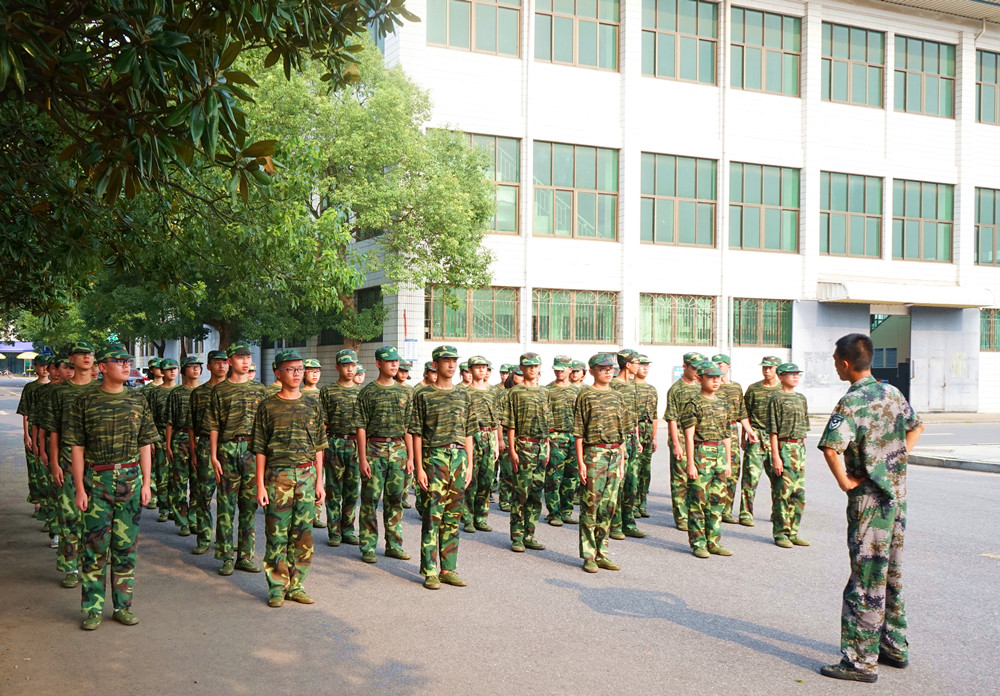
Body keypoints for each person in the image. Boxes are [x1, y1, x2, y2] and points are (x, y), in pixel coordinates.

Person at [818, 334, 923, 683]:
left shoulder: (851, 401)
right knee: (889, 573)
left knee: (865, 579)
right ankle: (894, 646)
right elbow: (917, 426)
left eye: (836, 361)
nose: (836, 367)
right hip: (896, 499)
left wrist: (845, 482)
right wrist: (893, 460)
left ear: (846, 363)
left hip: (869, 502)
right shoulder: (892, 393)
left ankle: (861, 662)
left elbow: (831, 448)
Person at [66, 344, 157, 630]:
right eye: (119, 361)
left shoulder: (138, 400)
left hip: (130, 479)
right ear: (103, 367)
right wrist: (79, 488)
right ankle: (92, 609)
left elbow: (145, 444)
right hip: (97, 480)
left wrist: (146, 482)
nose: (126, 365)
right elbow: (77, 447)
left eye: (128, 360)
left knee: (126, 546)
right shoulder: (85, 401)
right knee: (94, 547)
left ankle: (122, 606)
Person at [253, 349, 327, 608]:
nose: (297, 374)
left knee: (303, 534)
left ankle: (296, 585)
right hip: (278, 476)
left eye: (300, 369)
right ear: (278, 372)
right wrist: (260, 485)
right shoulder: (268, 406)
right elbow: (260, 448)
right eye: (291, 369)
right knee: (276, 534)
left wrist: (319, 482)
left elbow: (319, 446)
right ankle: (277, 587)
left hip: (307, 475)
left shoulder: (312, 405)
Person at [408, 345, 474, 590]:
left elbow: (469, 433)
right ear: (435, 364)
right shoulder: (424, 395)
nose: (451, 365)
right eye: (446, 360)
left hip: (458, 458)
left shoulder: (464, 395)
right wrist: (419, 467)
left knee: (453, 516)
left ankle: (448, 569)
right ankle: (430, 570)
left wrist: (469, 465)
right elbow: (416, 433)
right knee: (432, 516)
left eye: (454, 360)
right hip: (434, 457)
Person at [206, 342, 267, 576]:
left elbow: (265, 426)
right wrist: (213, 455)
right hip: (227, 449)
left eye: (248, 357)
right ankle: (225, 556)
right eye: (240, 357)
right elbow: (213, 425)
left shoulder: (259, 390)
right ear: (230, 361)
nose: (245, 361)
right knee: (225, 505)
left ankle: (245, 556)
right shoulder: (220, 390)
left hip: (252, 449)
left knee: (249, 506)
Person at [43, 340, 97, 588]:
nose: (87, 357)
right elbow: (53, 430)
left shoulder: (101, 389)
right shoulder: (60, 392)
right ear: (71, 359)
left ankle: (92, 561)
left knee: (95, 514)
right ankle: (70, 566)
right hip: (66, 457)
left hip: (96, 460)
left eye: (90, 353)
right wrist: (54, 462)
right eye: (81, 353)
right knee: (68, 514)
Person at [356, 345, 413, 563]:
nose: (394, 364)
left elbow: (408, 428)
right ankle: (368, 546)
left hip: (398, 450)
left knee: (395, 500)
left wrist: (410, 458)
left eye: (396, 361)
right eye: (390, 361)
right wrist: (363, 458)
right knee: (370, 500)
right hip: (374, 450)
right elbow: (361, 427)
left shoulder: (406, 392)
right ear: (378, 364)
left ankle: (394, 545)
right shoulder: (368, 392)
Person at [574, 353, 625, 573]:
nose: (608, 372)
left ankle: (602, 552)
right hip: (594, 453)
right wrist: (581, 463)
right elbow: (578, 432)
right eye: (603, 369)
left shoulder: (617, 396)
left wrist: (622, 462)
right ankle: (589, 555)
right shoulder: (586, 395)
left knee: (608, 507)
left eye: (610, 369)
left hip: (614, 454)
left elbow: (622, 432)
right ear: (592, 371)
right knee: (591, 506)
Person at [680, 361, 733, 559]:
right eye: (711, 377)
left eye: (718, 377)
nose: (715, 381)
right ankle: (698, 543)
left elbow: (726, 435)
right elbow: (689, 436)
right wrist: (690, 463)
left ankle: (714, 541)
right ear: (699, 378)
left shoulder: (722, 403)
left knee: (717, 501)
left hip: (719, 454)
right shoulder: (693, 403)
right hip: (702, 453)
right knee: (698, 502)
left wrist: (728, 461)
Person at [504, 352, 551, 553]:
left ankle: (529, 534)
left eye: (535, 365)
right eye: (528, 366)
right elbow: (510, 423)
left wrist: (547, 447)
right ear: (521, 368)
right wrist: (512, 450)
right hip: (523, 445)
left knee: (536, 493)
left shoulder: (545, 392)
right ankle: (517, 536)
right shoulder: (515, 392)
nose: (532, 369)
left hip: (541, 446)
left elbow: (547, 423)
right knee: (521, 493)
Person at [318, 349, 362, 547]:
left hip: (355, 444)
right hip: (334, 443)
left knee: (352, 490)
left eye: (353, 365)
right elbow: (323, 424)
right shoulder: (328, 391)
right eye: (345, 365)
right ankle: (334, 531)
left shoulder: (362, 393)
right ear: (337, 367)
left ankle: (348, 529)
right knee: (333, 489)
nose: (350, 369)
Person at [187, 349, 228, 555]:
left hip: (228, 447)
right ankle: (203, 537)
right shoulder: (199, 393)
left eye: (225, 362)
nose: (222, 366)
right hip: (204, 446)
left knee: (228, 498)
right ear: (209, 366)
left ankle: (225, 539)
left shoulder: (233, 390)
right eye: (217, 362)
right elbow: (192, 425)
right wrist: (194, 452)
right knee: (204, 494)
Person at [767, 363, 810, 548]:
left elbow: (804, 427)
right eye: (791, 374)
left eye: (797, 374)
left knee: (798, 494)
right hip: (784, 447)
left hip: (799, 448)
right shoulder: (776, 398)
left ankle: (793, 532)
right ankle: (781, 533)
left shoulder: (801, 398)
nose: (795, 377)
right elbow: (773, 431)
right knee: (782, 493)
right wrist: (776, 456)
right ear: (781, 377)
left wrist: (802, 451)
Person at [662, 352, 706, 531]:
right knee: (680, 479)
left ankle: (695, 513)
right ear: (685, 366)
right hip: (680, 434)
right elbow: (671, 418)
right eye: (694, 368)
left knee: (697, 477)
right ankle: (681, 517)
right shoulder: (676, 389)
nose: (697, 372)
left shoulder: (700, 386)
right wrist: (676, 444)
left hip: (698, 437)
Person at [739, 356, 783, 527]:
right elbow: (745, 413)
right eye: (764, 367)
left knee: (778, 478)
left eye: (770, 367)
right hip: (756, 435)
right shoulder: (753, 389)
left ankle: (777, 512)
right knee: (750, 477)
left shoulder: (782, 389)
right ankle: (746, 513)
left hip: (775, 437)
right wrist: (744, 435)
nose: (767, 370)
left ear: (777, 368)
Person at [713, 354, 756, 524]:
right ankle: (713, 508)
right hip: (713, 429)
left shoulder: (736, 387)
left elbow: (742, 412)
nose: (719, 367)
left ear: (728, 367)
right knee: (713, 470)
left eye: (721, 364)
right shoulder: (710, 385)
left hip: (731, 430)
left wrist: (748, 431)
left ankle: (726, 510)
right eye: (716, 364)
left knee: (732, 471)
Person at [164, 355, 202, 537]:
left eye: (198, 366)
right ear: (184, 370)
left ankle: (193, 518)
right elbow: (169, 421)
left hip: (200, 440)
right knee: (179, 481)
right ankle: (182, 521)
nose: (196, 369)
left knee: (197, 482)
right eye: (191, 366)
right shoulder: (177, 393)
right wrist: (168, 445)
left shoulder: (204, 392)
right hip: (180, 438)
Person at [610, 348, 645, 540]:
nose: (639, 366)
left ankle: (629, 522)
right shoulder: (614, 385)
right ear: (628, 365)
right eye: (637, 363)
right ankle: (615, 524)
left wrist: (637, 438)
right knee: (619, 483)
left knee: (632, 482)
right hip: (619, 439)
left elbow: (635, 415)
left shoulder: (632, 385)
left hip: (631, 438)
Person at [463, 355, 500, 533]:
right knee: (471, 480)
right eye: (478, 367)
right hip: (472, 436)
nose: (481, 370)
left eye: (484, 367)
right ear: (470, 370)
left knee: (487, 479)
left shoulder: (493, 391)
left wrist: (497, 442)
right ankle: (468, 517)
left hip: (489, 435)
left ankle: (481, 517)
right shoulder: (464, 392)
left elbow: (496, 419)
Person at [545, 355, 579, 527]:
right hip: (555, 437)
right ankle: (554, 513)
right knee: (553, 477)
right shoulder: (547, 390)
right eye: (556, 369)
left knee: (571, 477)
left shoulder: (577, 391)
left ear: (570, 370)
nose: (559, 372)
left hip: (574, 437)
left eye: (562, 369)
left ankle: (566, 511)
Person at [17, 355, 50, 521]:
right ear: (35, 367)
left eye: (47, 365)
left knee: (48, 469)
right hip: (33, 432)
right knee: (34, 468)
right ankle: (37, 503)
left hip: (49, 433)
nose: (44, 369)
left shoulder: (54, 387)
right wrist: (27, 435)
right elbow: (26, 413)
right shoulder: (30, 388)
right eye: (41, 365)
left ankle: (48, 504)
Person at [148, 358, 178, 521]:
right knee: (162, 473)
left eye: (175, 368)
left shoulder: (180, 391)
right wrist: (152, 440)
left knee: (177, 474)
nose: (172, 372)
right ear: (163, 372)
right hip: (159, 434)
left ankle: (175, 507)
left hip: (178, 436)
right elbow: (149, 417)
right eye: (169, 369)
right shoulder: (155, 392)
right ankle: (164, 507)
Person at [633, 354, 658, 518]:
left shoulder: (651, 389)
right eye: (642, 365)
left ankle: (642, 503)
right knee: (634, 469)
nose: (645, 368)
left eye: (647, 365)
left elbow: (654, 415)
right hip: (636, 428)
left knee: (645, 469)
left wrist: (654, 437)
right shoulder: (630, 387)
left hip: (647, 429)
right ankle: (633, 504)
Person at [395, 359, 415, 509]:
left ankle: (404, 495)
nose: (403, 374)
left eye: (406, 371)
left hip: (409, 430)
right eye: (401, 371)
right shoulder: (392, 388)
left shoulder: (411, 390)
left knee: (409, 463)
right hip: (396, 430)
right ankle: (396, 494)